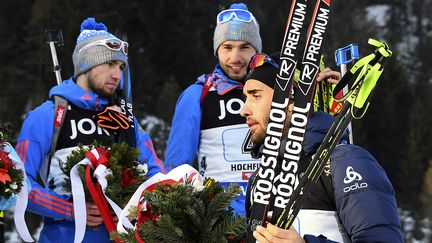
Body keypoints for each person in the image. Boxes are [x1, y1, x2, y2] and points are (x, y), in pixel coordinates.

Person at [15, 18, 164, 243]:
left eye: (121, 67)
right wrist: (69, 209)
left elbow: (157, 175)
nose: (118, 75)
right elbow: (18, 183)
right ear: (87, 64)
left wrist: (133, 208)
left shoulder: (125, 119)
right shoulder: (46, 116)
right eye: (110, 64)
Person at [241, 53, 404, 242]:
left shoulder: (344, 161)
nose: (244, 109)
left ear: (291, 103)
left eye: (256, 96)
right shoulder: (258, 178)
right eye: (246, 98)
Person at [164, 3, 262, 216]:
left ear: (256, 50)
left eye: (244, 47)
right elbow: (177, 165)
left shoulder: (277, 92)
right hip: (218, 213)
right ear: (217, 49)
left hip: (272, 208)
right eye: (227, 47)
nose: (235, 58)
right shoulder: (197, 95)